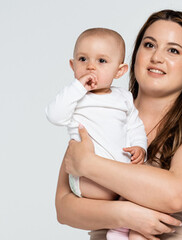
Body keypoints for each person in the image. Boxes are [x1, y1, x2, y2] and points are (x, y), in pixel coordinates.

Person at [55, 9, 182, 240]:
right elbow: (64, 208)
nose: (157, 57)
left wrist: (88, 164)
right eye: (149, 45)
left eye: (173, 50)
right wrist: (126, 215)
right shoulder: (97, 113)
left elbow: (175, 194)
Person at [46, 27, 148, 240]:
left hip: (118, 172)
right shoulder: (75, 98)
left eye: (101, 61)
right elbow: (54, 115)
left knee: (141, 191)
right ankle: (120, 224)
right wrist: (76, 88)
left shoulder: (124, 98)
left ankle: (121, 230)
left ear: (119, 71)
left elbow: (134, 125)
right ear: (73, 66)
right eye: (83, 59)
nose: (90, 66)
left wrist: (140, 147)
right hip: (87, 178)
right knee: (128, 193)